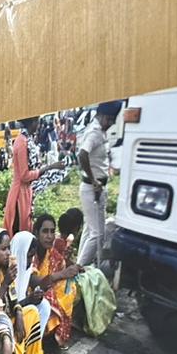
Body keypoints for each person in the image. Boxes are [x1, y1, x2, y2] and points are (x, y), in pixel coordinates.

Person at [77, 101, 122, 267]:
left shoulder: (101, 132)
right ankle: (78, 269)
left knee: (90, 230)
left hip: (97, 187)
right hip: (91, 188)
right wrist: (93, 178)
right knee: (97, 234)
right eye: (109, 120)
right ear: (101, 116)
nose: (110, 124)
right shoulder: (94, 133)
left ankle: (79, 265)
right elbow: (82, 154)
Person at [29, 212, 82, 351]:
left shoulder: (51, 252)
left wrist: (74, 267)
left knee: (68, 287)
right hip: (28, 292)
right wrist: (62, 274)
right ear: (36, 232)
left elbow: (63, 264)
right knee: (49, 297)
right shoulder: (31, 251)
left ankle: (50, 337)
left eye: (52, 231)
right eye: (45, 231)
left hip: (43, 288)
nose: (49, 236)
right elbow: (34, 281)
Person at [3, 117, 65, 235]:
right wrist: (49, 168)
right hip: (19, 196)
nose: (38, 124)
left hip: (25, 193)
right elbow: (24, 176)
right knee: (19, 235)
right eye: (37, 121)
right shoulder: (22, 142)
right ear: (32, 122)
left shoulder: (27, 139)